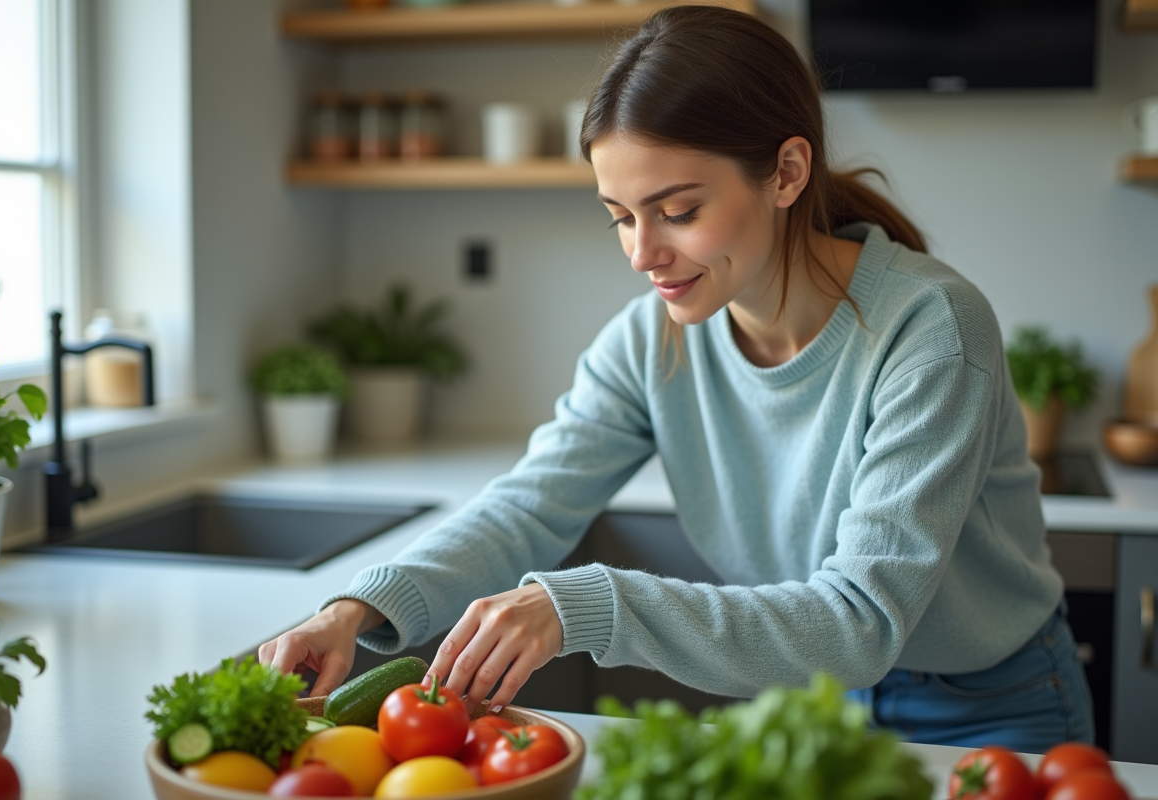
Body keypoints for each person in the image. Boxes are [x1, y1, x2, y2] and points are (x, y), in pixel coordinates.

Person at [259, 4, 1093, 751]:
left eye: (678, 211)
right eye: (620, 216)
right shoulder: (650, 341)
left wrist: (584, 604)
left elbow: (860, 622)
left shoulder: (929, 329)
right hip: (810, 705)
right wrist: (358, 609)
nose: (642, 253)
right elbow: (528, 507)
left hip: (989, 706)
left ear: (787, 173)